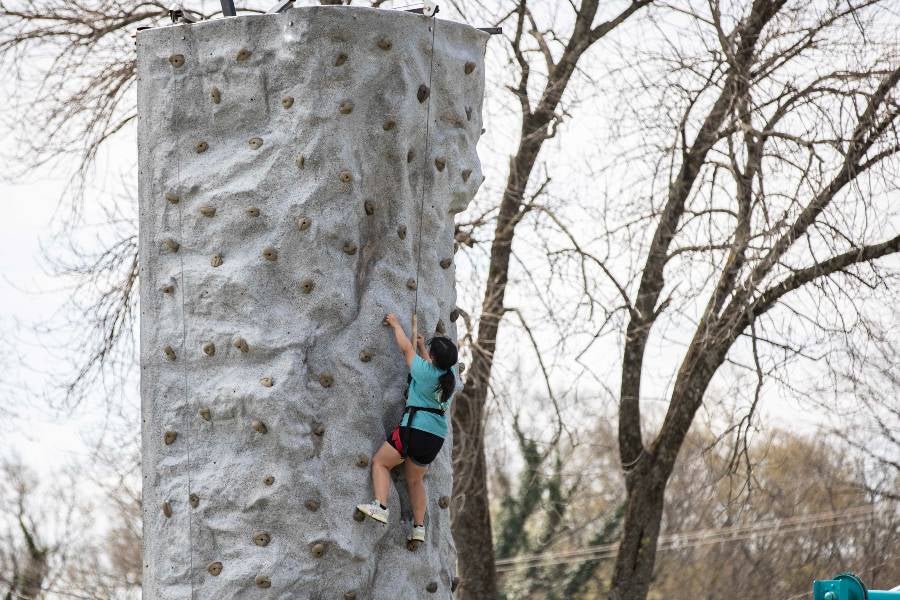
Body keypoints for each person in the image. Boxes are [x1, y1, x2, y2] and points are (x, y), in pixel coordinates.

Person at [355, 312, 458, 545]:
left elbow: (405, 349)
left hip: (414, 430)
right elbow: (429, 366)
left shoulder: (424, 372)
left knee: (381, 462)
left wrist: (395, 324)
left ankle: (380, 505)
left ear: (433, 357)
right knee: (415, 480)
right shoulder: (449, 377)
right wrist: (423, 347)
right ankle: (419, 528)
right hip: (434, 439)